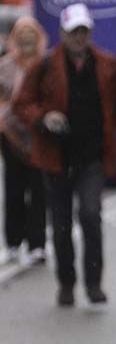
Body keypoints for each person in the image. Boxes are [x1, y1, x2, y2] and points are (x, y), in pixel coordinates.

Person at [12, 3, 116, 307]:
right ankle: (66, 282)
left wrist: (105, 128)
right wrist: (44, 118)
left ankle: (93, 283)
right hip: (56, 157)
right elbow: (22, 104)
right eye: (74, 31)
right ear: (63, 32)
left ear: (90, 32)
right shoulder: (46, 65)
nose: (79, 37)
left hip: (92, 156)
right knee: (61, 224)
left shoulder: (106, 64)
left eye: (84, 31)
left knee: (91, 215)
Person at [0, 15, 48, 266]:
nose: (27, 38)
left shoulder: (46, 65)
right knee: (14, 190)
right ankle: (13, 242)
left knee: (39, 192)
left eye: (32, 33)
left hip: (40, 137)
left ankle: (37, 244)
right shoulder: (5, 66)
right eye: (22, 34)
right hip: (11, 136)